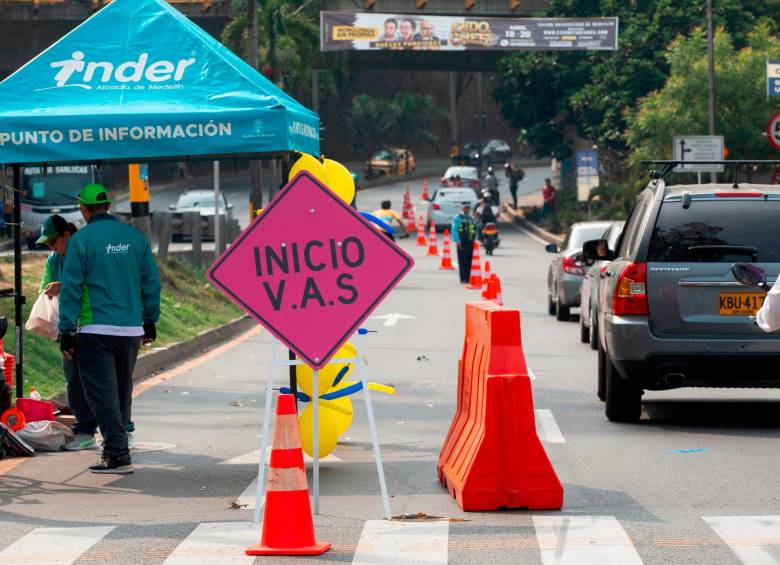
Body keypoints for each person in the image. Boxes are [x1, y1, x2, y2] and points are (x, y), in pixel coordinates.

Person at [59, 183, 161, 474]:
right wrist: (149, 319)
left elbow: (72, 288)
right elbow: (150, 282)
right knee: (121, 389)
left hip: (95, 329)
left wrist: (66, 328)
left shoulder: (82, 240)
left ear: (83, 208)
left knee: (102, 393)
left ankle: (117, 453)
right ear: (107, 206)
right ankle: (118, 444)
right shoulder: (134, 237)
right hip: (130, 330)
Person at [36, 215, 100, 451]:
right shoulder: (54, 261)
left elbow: (95, 284)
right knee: (73, 379)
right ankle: (85, 430)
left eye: (52, 242)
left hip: (93, 324)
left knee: (98, 381)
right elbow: (44, 287)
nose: (51, 248)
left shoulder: (85, 251)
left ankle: (120, 430)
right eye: (47, 244)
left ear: (66, 235)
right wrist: (50, 289)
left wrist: (63, 286)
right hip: (68, 327)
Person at [451, 202, 476, 284]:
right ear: (462, 208)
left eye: (468, 208)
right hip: (462, 242)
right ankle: (463, 278)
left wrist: (475, 240)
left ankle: (469, 277)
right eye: (465, 208)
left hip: (470, 242)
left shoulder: (470, 218)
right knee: (462, 261)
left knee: (469, 260)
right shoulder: (458, 218)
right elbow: (454, 230)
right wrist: (457, 240)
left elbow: (473, 230)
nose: (467, 209)